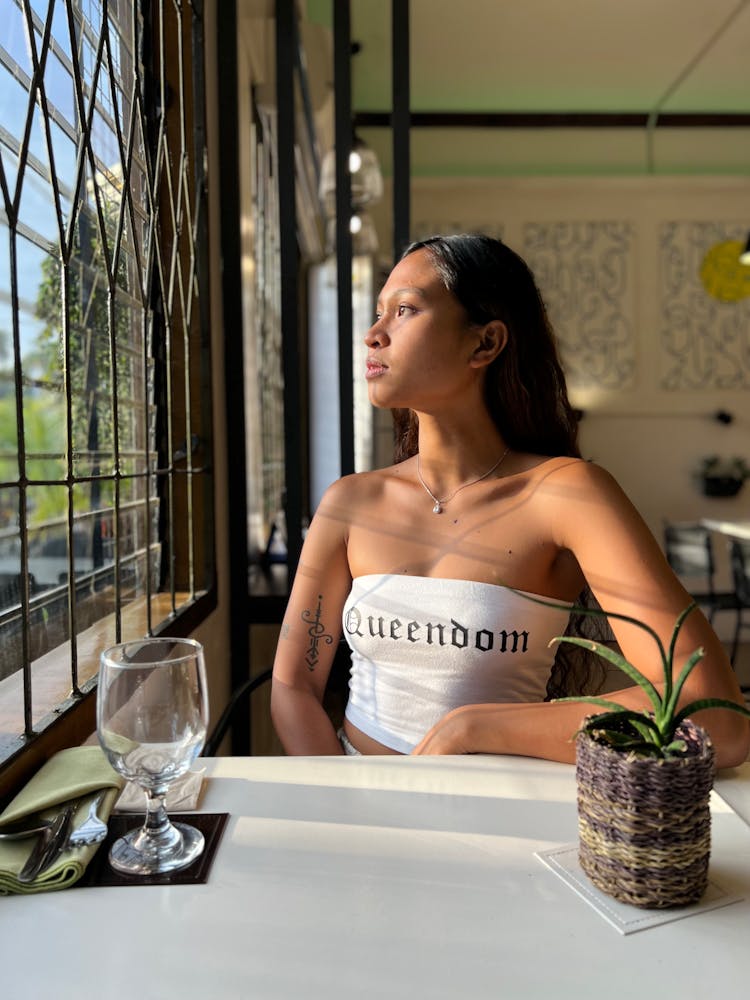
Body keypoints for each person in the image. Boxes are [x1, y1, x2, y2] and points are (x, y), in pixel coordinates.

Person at [270, 234, 749, 767]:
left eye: (405, 310)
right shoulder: (350, 502)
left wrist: (476, 727)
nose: (373, 335)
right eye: (379, 312)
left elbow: (717, 717)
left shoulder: (568, 494)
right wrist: (341, 803)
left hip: (497, 811)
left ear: (485, 344)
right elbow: (293, 685)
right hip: (356, 803)